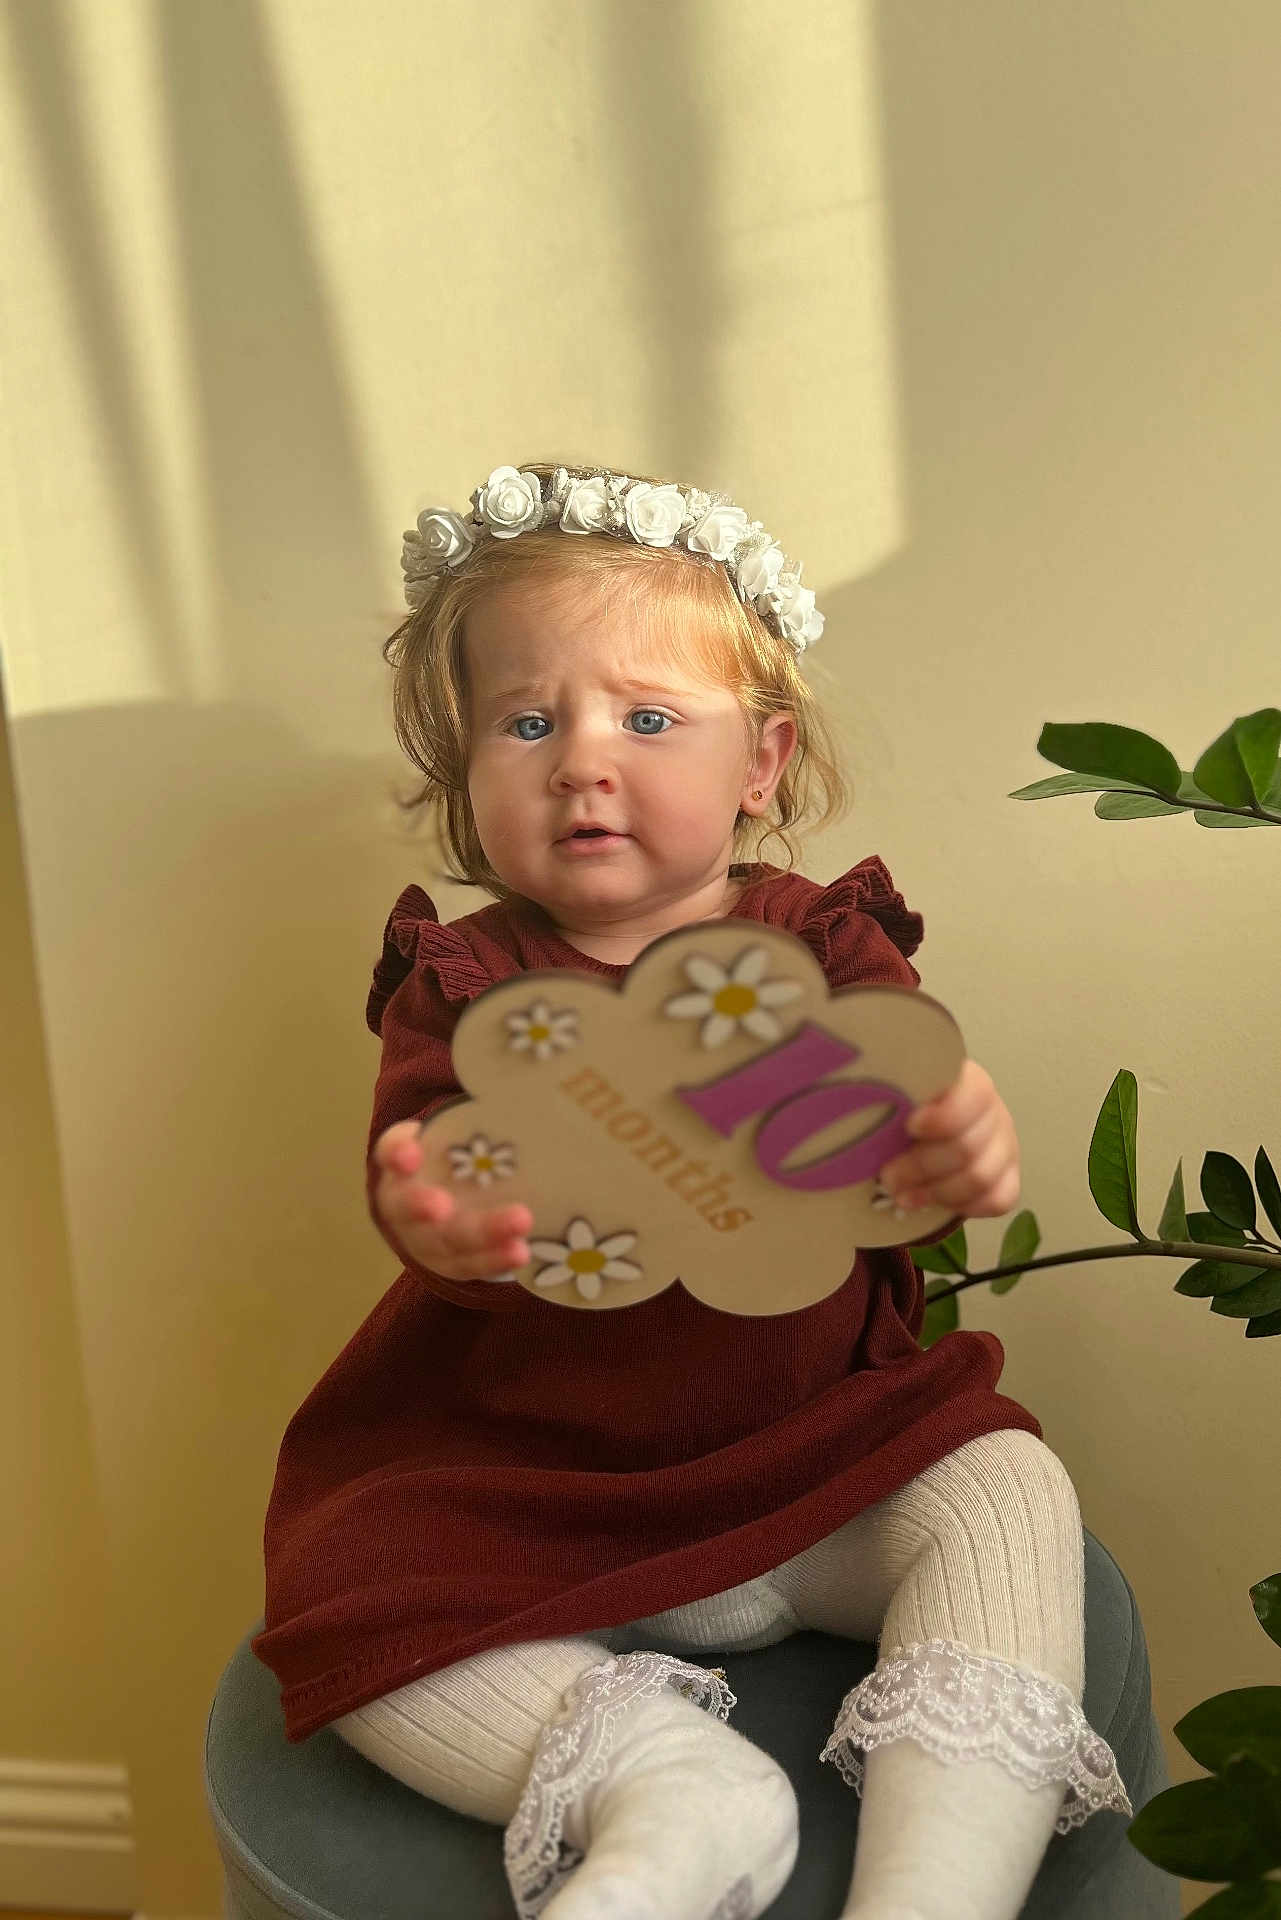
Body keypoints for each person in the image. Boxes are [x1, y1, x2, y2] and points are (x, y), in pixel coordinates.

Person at [252, 462, 1131, 1920]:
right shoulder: (467, 984)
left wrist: (949, 1145)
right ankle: (667, 1791)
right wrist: (443, 1220)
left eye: (646, 719)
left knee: (1000, 1485)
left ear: (760, 762)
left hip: (814, 1465)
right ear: (467, 768)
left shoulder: (824, 944)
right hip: (523, 1488)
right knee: (345, 1588)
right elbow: (428, 1160)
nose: (581, 760)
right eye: (525, 722)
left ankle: (931, 1891)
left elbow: (892, 1126)